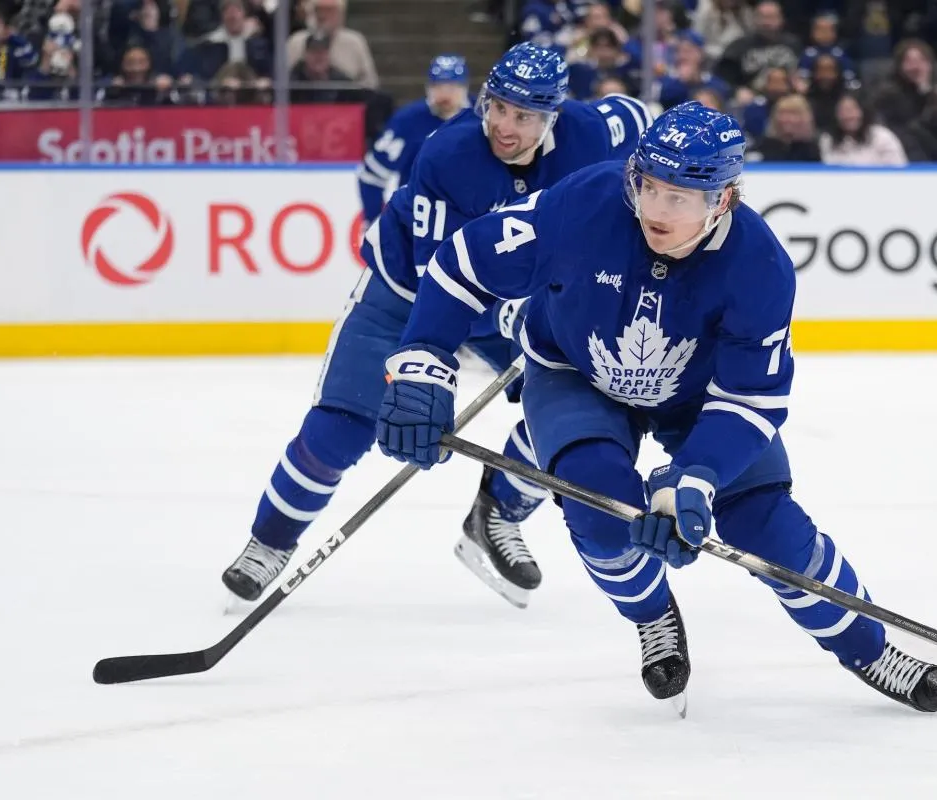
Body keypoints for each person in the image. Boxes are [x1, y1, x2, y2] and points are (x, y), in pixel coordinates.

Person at [374, 102, 937, 714]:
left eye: (679, 198)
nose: (655, 209)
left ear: (723, 199)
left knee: (770, 528)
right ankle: (653, 617)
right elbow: (462, 263)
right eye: (648, 185)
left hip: (697, 398)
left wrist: (696, 477)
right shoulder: (587, 202)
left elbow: (749, 400)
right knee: (599, 509)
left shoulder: (759, 267)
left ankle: (869, 649)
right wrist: (423, 361)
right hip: (577, 372)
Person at [220, 43, 653, 611]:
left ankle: (495, 513)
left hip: (514, 299)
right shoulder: (449, 154)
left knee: (582, 412)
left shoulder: (589, 134)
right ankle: (269, 542)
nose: (504, 125)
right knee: (343, 425)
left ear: (552, 116)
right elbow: (441, 279)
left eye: (523, 116)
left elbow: (641, 117)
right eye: (497, 107)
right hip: (407, 295)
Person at [357, 53, 470, 224]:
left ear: (465, 89)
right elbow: (371, 175)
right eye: (438, 87)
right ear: (428, 89)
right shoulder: (407, 121)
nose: (445, 94)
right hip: (418, 224)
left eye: (452, 87)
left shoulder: (483, 119)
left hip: (469, 222)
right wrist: (374, 221)